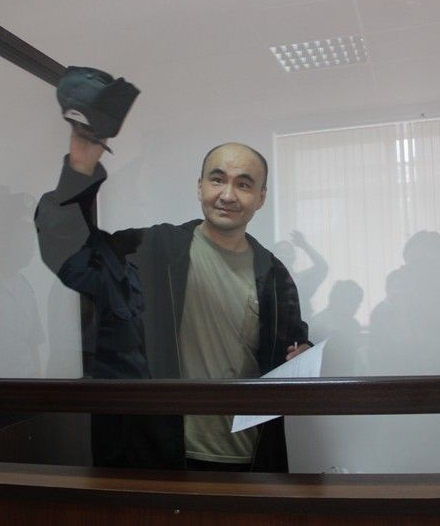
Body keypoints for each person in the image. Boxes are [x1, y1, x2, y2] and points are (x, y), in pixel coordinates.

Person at [35, 125, 310, 472]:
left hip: (248, 455)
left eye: (243, 184)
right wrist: (80, 166)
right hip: (156, 457)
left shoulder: (273, 274)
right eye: (217, 179)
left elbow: (290, 344)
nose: (227, 195)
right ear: (200, 186)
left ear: (261, 197)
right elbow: (68, 252)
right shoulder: (148, 251)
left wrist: (302, 352)